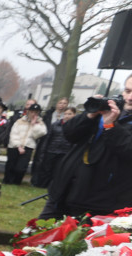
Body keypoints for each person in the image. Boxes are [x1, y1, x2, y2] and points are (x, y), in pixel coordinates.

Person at [42, 79, 132, 219]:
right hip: (63, 191)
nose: (130, 97)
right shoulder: (108, 110)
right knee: (38, 236)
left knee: (77, 241)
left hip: (100, 203)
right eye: (127, 91)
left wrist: (110, 126)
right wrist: (89, 115)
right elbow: (70, 134)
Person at [32, 102, 76, 188]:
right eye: (66, 114)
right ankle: (43, 184)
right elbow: (48, 138)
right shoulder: (56, 124)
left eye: (70, 114)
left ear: (74, 115)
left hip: (65, 151)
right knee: (47, 169)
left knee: (58, 170)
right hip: (52, 149)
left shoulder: (75, 126)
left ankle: (53, 186)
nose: (67, 116)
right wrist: (44, 150)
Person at [3, 103, 47, 185]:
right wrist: (18, 146)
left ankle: (17, 182)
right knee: (11, 165)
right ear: (28, 112)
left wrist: (34, 125)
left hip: (28, 147)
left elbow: (39, 134)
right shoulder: (20, 121)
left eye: (36, 112)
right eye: (32, 112)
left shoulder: (40, 123)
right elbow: (13, 134)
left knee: (21, 168)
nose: (34, 114)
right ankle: (7, 181)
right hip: (14, 146)